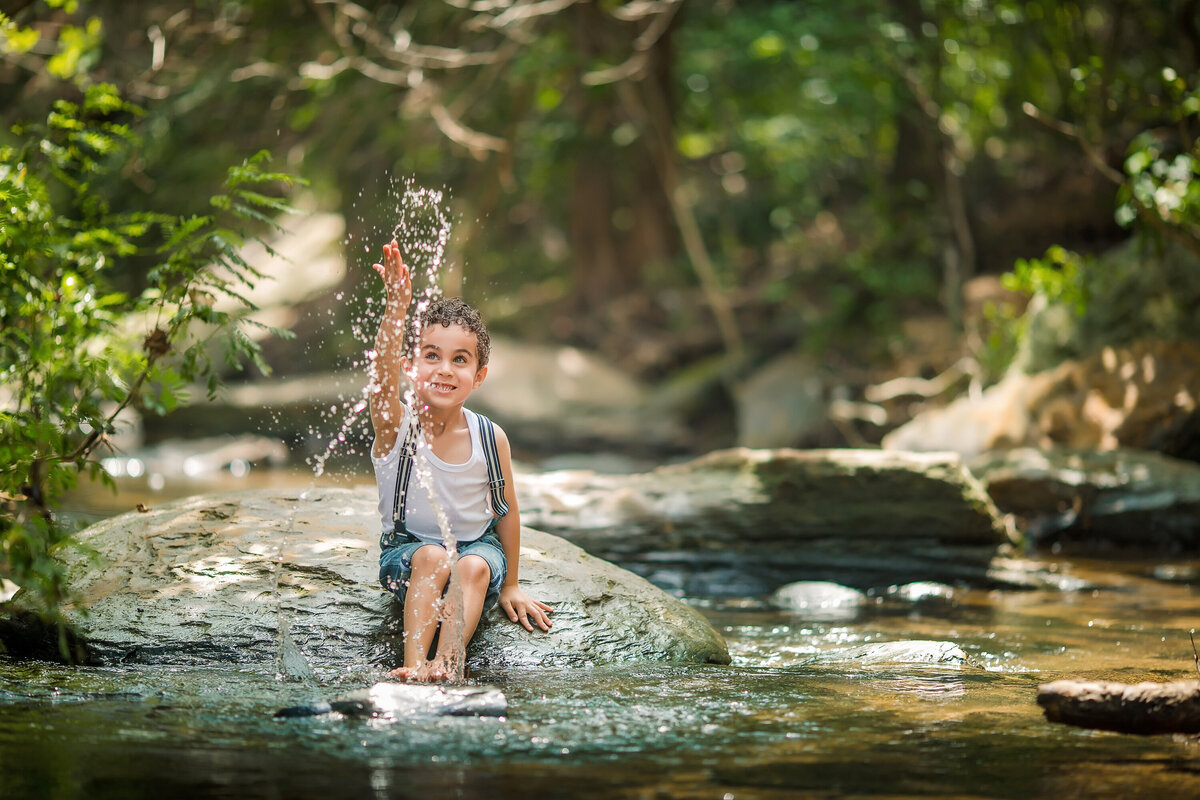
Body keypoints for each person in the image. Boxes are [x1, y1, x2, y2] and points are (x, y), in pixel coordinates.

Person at [369, 238, 552, 683]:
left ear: (479, 376)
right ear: (412, 366)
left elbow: (506, 512)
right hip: (409, 553)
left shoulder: (491, 437)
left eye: (460, 360)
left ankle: (448, 665)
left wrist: (510, 584)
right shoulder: (397, 426)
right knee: (432, 557)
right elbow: (378, 379)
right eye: (431, 356)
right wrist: (397, 309)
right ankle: (413, 667)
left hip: (476, 549)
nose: (444, 369)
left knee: (471, 565)